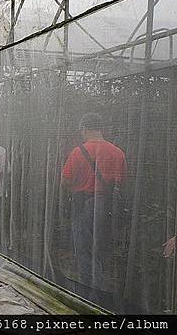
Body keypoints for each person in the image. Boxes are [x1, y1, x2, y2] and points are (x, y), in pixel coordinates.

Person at [61, 112, 127, 306]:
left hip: (83, 204)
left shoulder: (77, 152)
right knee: (100, 249)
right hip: (108, 207)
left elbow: (65, 180)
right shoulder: (117, 152)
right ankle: (99, 291)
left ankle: (90, 298)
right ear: (101, 129)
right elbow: (121, 182)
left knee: (84, 250)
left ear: (84, 129)